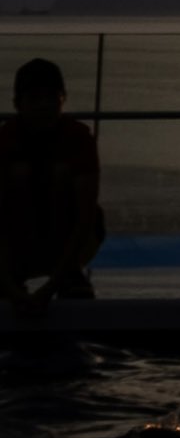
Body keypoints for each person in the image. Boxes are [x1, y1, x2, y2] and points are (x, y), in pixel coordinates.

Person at [1, 55, 105, 311]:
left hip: (69, 240)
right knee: (20, 174)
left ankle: (69, 273)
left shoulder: (78, 138)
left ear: (63, 100)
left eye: (51, 98)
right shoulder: (5, 141)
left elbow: (85, 218)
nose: (44, 106)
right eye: (35, 98)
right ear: (18, 104)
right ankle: (14, 273)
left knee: (59, 175)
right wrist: (9, 287)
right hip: (18, 240)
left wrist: (49, 288)